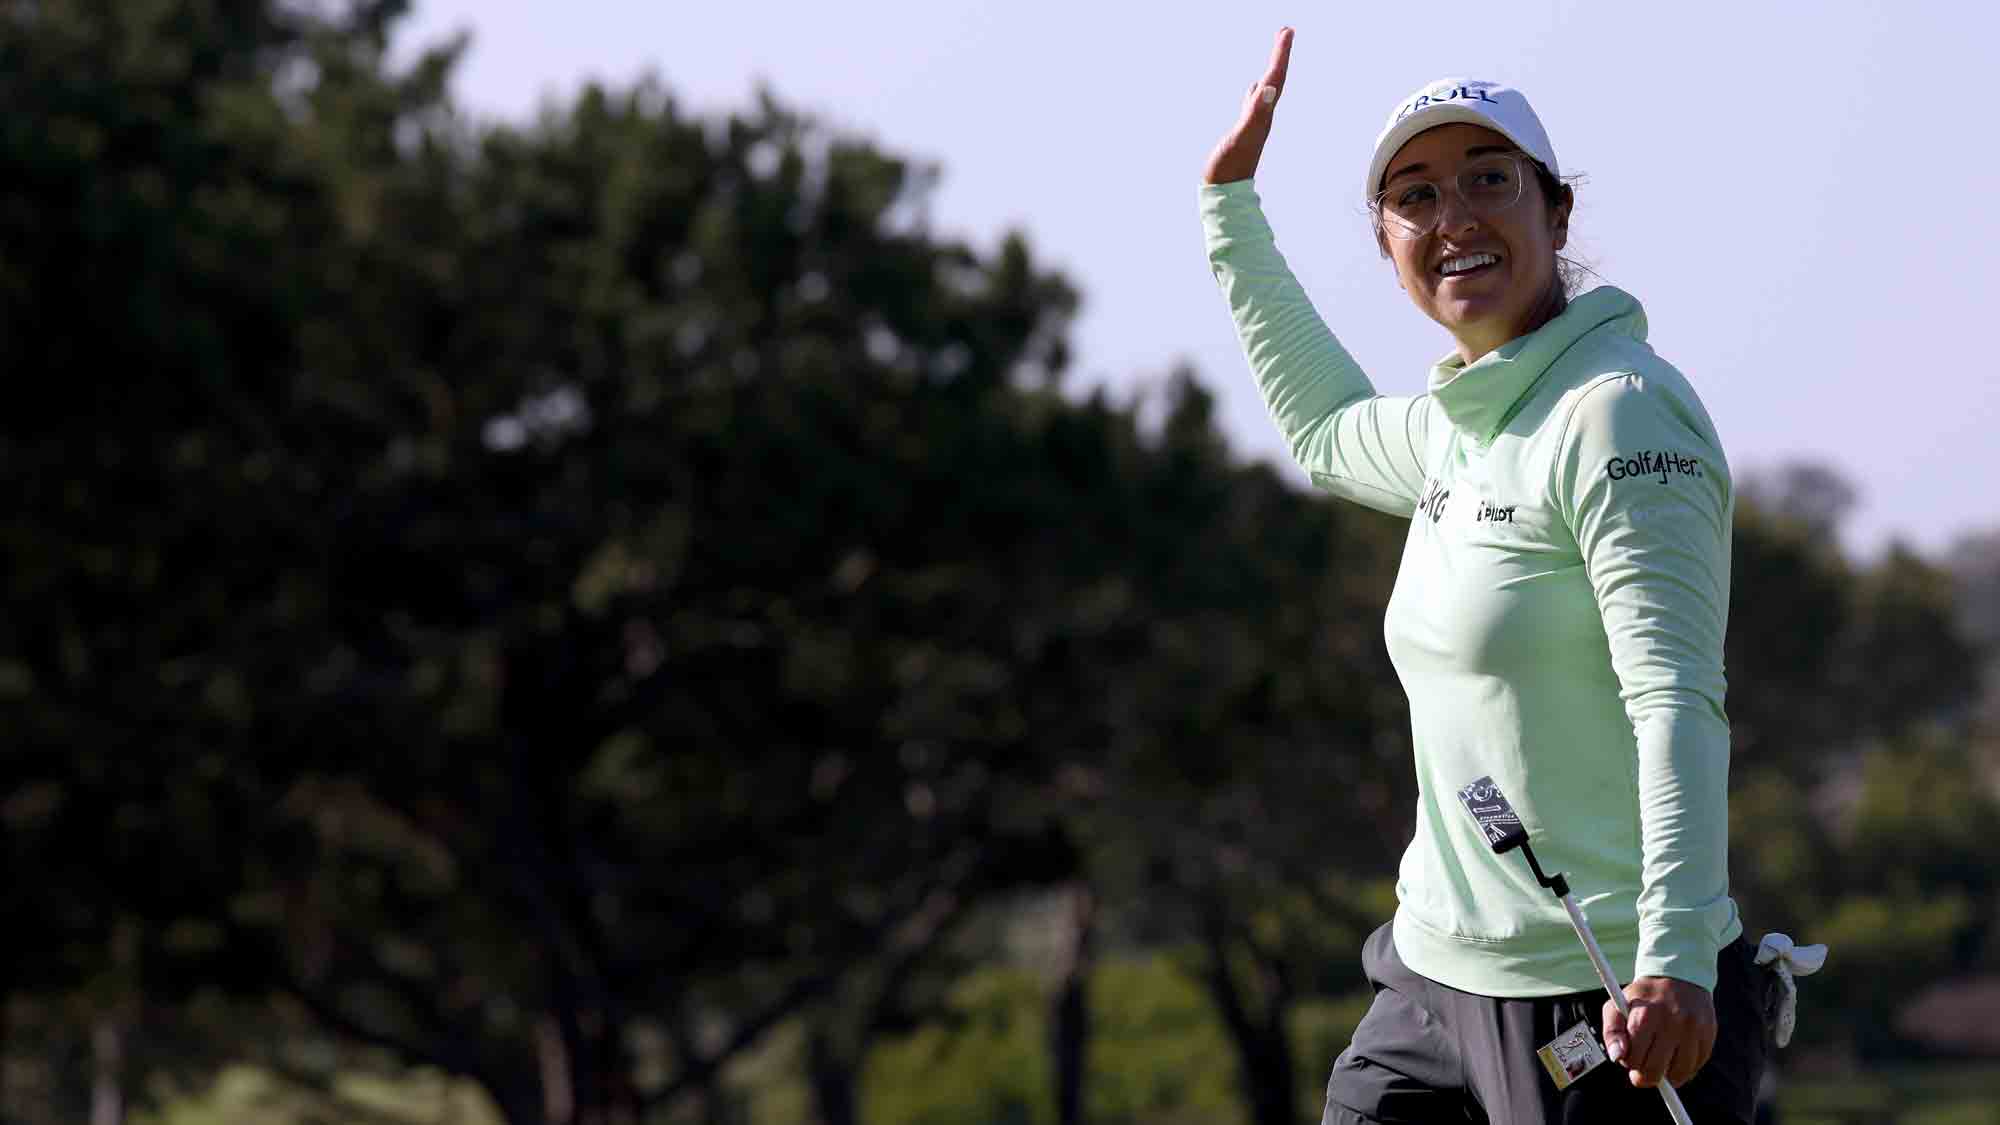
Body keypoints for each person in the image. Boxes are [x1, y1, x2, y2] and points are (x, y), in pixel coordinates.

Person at [1199, 28, 1777, 1124]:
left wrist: (1674, 956)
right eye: (1413, 196)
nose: (1452, 217)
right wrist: (1229, 209)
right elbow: (1324, 428)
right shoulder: (1457, 429)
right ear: (1387, 245)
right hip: (1429, 976)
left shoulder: (1615, 413)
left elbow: (1674, 699)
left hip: (1608, 993)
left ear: (1555, 213)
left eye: (1487, 180)